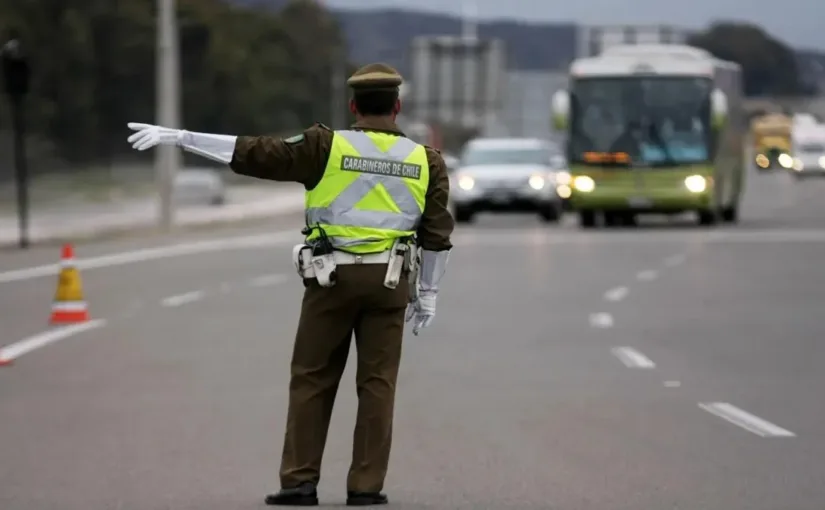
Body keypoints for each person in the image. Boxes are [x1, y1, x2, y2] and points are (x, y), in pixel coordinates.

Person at [126, 63, 454, 506]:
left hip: (331, 280)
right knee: (378, 384)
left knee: (312, 378)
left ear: (353, 106)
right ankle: (366, 488)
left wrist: (183, 137)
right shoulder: (426, 161)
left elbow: (257, 152)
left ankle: (300, 482)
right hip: (390, 283)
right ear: (397, 107)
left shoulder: (325, 146)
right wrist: (428, 294)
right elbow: (436, 235)